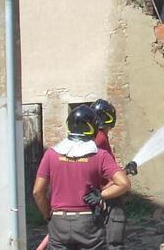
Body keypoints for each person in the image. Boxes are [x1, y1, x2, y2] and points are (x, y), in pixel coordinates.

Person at [33, 105, 131, 250]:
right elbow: (124, 183)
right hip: (88, 223)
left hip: (59, 223)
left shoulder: (51, 154)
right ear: (93, 128)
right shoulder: (99, 155)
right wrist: (101, 195)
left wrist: (49, 216)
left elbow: (37, 192)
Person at [90, 99, 137, 250]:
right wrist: (126, 171)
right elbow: (111, 178)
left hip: (93, 196)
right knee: (114, 240)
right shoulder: (100, 138)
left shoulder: (92, 137)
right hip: (104, 197)